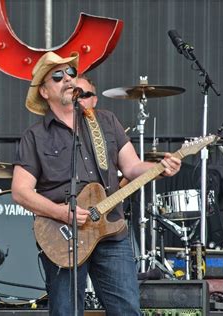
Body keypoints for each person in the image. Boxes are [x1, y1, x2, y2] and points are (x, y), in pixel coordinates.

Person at [11, 51, 181, 315]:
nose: (67, 79)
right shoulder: (35, 136)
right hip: (63, 235)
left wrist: (161, 169)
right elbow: (20, 192)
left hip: (111, 230)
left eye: (70, 73)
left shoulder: (105, 121)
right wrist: (60, 213)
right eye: (57, 76)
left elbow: (133, 167)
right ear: (44, 92)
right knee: (66, 311)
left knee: (127, 309)